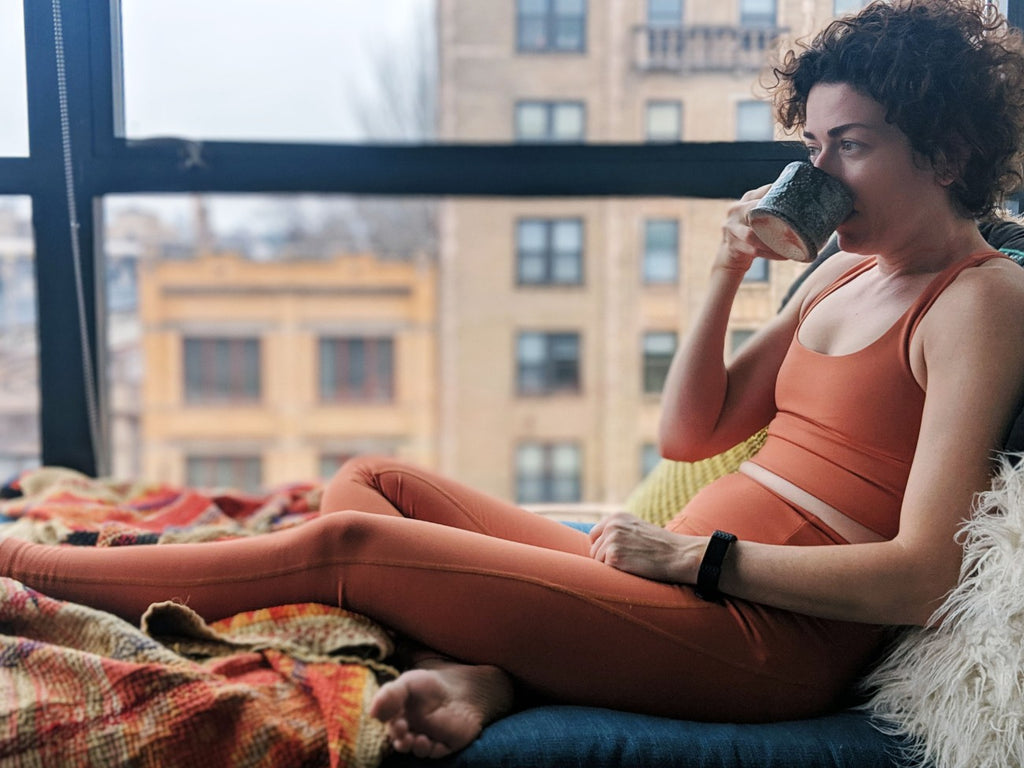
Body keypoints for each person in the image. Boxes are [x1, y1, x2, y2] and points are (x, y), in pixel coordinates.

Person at [4, 0, 1024, 759]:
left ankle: (28, 569)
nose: (822, 176)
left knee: (349, 543)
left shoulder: (980, 301)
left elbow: (919, 573)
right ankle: (484, 680)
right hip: (665, 578)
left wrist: (693, 560)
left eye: (851, 146)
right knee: (377, 481)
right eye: (810, 147)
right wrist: (727, 269)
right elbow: (690, 432)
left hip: (767, 635)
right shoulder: (839, 268)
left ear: (944, 149)